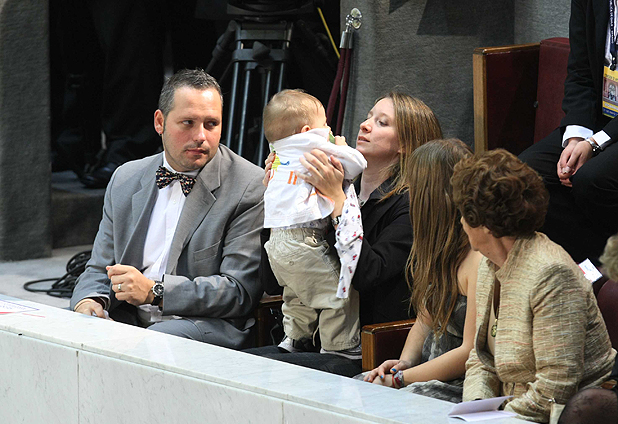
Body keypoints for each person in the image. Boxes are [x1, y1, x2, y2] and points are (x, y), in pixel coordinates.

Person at [246, 91, 443, 377]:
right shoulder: (330, 186)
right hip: (311, 340)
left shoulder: (409, 205)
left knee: (250, 373)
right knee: (228, 365)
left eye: (382, 122)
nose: (365, 125)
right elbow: (273, 283)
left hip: (364, 349)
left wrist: (338, 202)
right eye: (369, 116)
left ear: (406, 143)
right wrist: (280, 200)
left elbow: (366, 275)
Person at [69, 69, 265, 349]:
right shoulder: (125, 178)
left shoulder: (248, 185)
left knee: (150, 344)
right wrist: (89, 302)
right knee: (60, 333)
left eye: (211, 124)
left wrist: (155, 292)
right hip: (130, 318)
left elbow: (238, 290)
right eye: (188, 123)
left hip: (204, 324)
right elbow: (100, 268)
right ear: (160, 122)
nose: (201, 136)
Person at [453, 149, 616, 423]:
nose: (460, 222)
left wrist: (493, 419)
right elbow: (481, 360)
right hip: (508, 411)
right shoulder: (488, 264)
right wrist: (476, 407)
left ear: (484, 224)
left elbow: (556, 389)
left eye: (462, 214)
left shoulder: (551, 273)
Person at [363, 139, 481, 403]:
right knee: (357, 389)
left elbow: (469, 352)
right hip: (423, 374)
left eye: (413, 186)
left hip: (459, 385)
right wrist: (403, 364)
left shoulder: (477, 257)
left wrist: (402, 379)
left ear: (432, 194)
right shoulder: (437, 248)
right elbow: (424, 320)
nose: (408, 193)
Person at [261, 89, 367, 357]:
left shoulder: (277, 151)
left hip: (275, 242)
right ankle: (340, 346)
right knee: (338, 292)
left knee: (297, 294)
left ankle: (294, 338)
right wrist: (341, 147)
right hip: (303, 240)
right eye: (325, 124)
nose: (329, 129)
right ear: (307, 131)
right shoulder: (312, 145)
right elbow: (357, 165)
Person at [519, 0, 618, 264]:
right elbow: (580, 71)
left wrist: (594, 144)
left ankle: (609, 265)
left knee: (591, 179)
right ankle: (588, 264)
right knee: (527, 175)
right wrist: (576, 136)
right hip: (600, 118)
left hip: (608, 132)